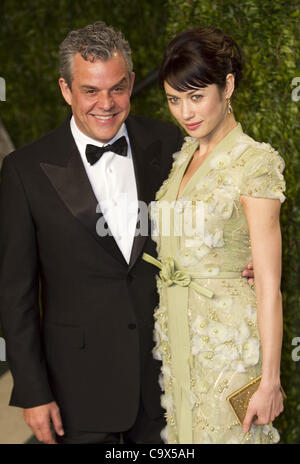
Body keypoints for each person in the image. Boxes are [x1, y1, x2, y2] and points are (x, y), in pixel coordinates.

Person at [0, 22, 254, 445]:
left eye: (117, 89)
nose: (106, 103)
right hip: (75, 391)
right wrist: (32, 391)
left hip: (166, 379)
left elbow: (209, 219)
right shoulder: (24, 171)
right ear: (66, 90)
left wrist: (239, 261)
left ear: (132, 83)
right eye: (90, 91)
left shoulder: (171, 141)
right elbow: (15, 294)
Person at [142, 26, 285, 444]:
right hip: (177, 337)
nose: (185, 112)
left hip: (230, 344)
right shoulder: (185, 154)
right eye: (174, 99)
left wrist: (270, 380)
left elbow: (269, 284)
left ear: (228, 86)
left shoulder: (254, 162)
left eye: (196, 95)